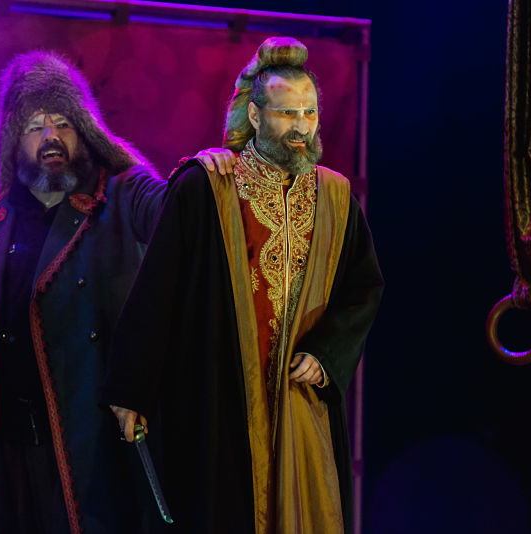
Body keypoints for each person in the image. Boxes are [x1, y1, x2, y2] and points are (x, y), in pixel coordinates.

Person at [104, 37, 384, 534]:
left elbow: (363, 288)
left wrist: (327, 354)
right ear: (255, 115)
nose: (301, 127)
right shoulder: (207, 185)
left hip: (302, 403)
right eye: (286, 114)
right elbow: (158, 290)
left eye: (310, 113)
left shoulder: (337, 197)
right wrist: (132, 388)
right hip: (223, 399)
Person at [0, 50, 232, 534]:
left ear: (84, 130)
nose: (51, 136)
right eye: (35, 125)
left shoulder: (121, 193)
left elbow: (175, 214)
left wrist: (202, 173)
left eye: (62, 122)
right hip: (11, 442)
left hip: (90, 438)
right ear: (15, 139)